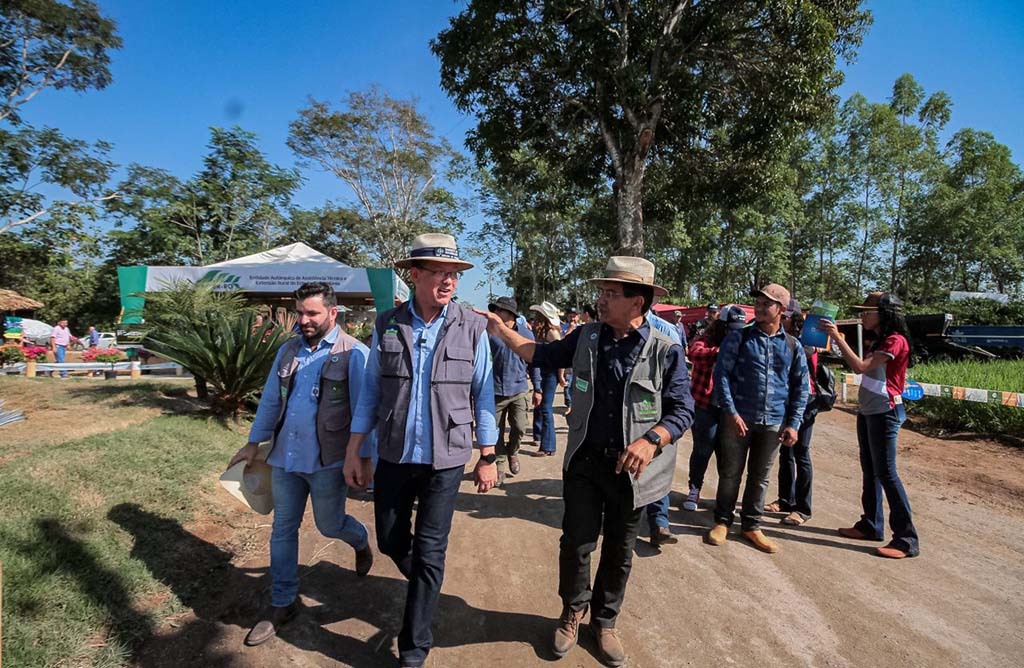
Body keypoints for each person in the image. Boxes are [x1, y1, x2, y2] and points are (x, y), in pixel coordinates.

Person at [480, 256, 693, 667]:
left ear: (638, 302)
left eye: (611, 294)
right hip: (585, 464)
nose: (601, 300)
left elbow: (683, 410)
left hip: (632, 473)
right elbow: (539, 355)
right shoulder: (587, 337)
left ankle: (605, 622)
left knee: (620, 549)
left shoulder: (665, 350)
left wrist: (651, 441)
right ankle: (572, 613)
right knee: (576, 543)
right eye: (602, 292)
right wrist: (501, 329)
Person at [343, 233, 498, 668]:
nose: (448, 282)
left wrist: (487, 456)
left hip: (445, 460)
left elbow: (483, 393)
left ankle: (413, 649)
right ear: (415, 275)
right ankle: (427, 583)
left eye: (454, 275)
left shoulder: (472, 326)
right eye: (438, 273)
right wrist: (357, 449)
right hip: (394, 453)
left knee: (432, 550)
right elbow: (371, 391)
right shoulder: (388, 324)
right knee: (392, 539)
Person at [229, 282, 374, 647]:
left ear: (332, 313)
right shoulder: (288, 350)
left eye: (313, 313)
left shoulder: (354, 353)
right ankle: (283, 602)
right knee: (282, 529)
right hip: (285, 459)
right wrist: (252, 443)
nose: (304, 320)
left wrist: (363, 459)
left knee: (329, 525)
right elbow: (269, 402)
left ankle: (359, 539)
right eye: (301, 312)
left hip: (328, 463)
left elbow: (365, 411)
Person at [706, 284, 808, 554]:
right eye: (759, 303)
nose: (761, 307)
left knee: (760, 477)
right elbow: (721, 377)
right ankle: (722, 521)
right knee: (730, 473)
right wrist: (731, 412)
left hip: (773, 421)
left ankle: (751, 525)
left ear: (782, 310)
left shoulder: (792, 346)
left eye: (768, 304)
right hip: (738, 419)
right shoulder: (739, 338)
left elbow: (800, 388)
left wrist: (793, 424)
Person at [820, 292, 919, 559]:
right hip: (869, 411)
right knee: (871, 469)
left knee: (886, 472)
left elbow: (861, 367)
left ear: (886, 314)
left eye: (868, 311)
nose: (863, 315)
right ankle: (871, 524)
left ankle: (906, 539)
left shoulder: (895, 341)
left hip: (884, 412)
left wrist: (838, 337)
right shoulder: (881, 340)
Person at [681, 305, 746, 511]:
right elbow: (694, 353)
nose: (734, 333)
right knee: (703, 448)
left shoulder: (743, 342)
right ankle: (694, 489)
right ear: (721, 325)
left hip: (731, 409)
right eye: (730, 328)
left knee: (727, 454)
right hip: (705, 405)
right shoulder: (707, 340)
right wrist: (722, 351)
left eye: (738, 329)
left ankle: (725, 499)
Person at [766, 300, 819, 525]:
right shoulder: (779, 340)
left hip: (805, 403)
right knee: (785, 453)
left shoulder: (804, 343)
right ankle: (785, 500)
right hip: (785, 402)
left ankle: (803, 508)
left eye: (785, 317)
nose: (782, 320)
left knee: (801, 454)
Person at [488, 296, 541, 486]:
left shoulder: (526, 334)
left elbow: (534, 363)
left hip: (519, 389)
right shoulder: (489, 333)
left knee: (520, 427)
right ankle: (500, 464)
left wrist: (538, 388)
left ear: (509, 314)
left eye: (498, 310)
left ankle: (513, 452)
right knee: (495, 432)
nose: (495, 313)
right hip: (494, 391)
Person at [529, 301, 564, 456]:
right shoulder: (544, 332)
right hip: (545, 372)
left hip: (550, 374)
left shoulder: (552, 333)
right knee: (541, 406)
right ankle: (540, 438)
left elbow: (561, 355)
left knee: (546, 408)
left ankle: (548, 446)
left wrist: (561, 376)